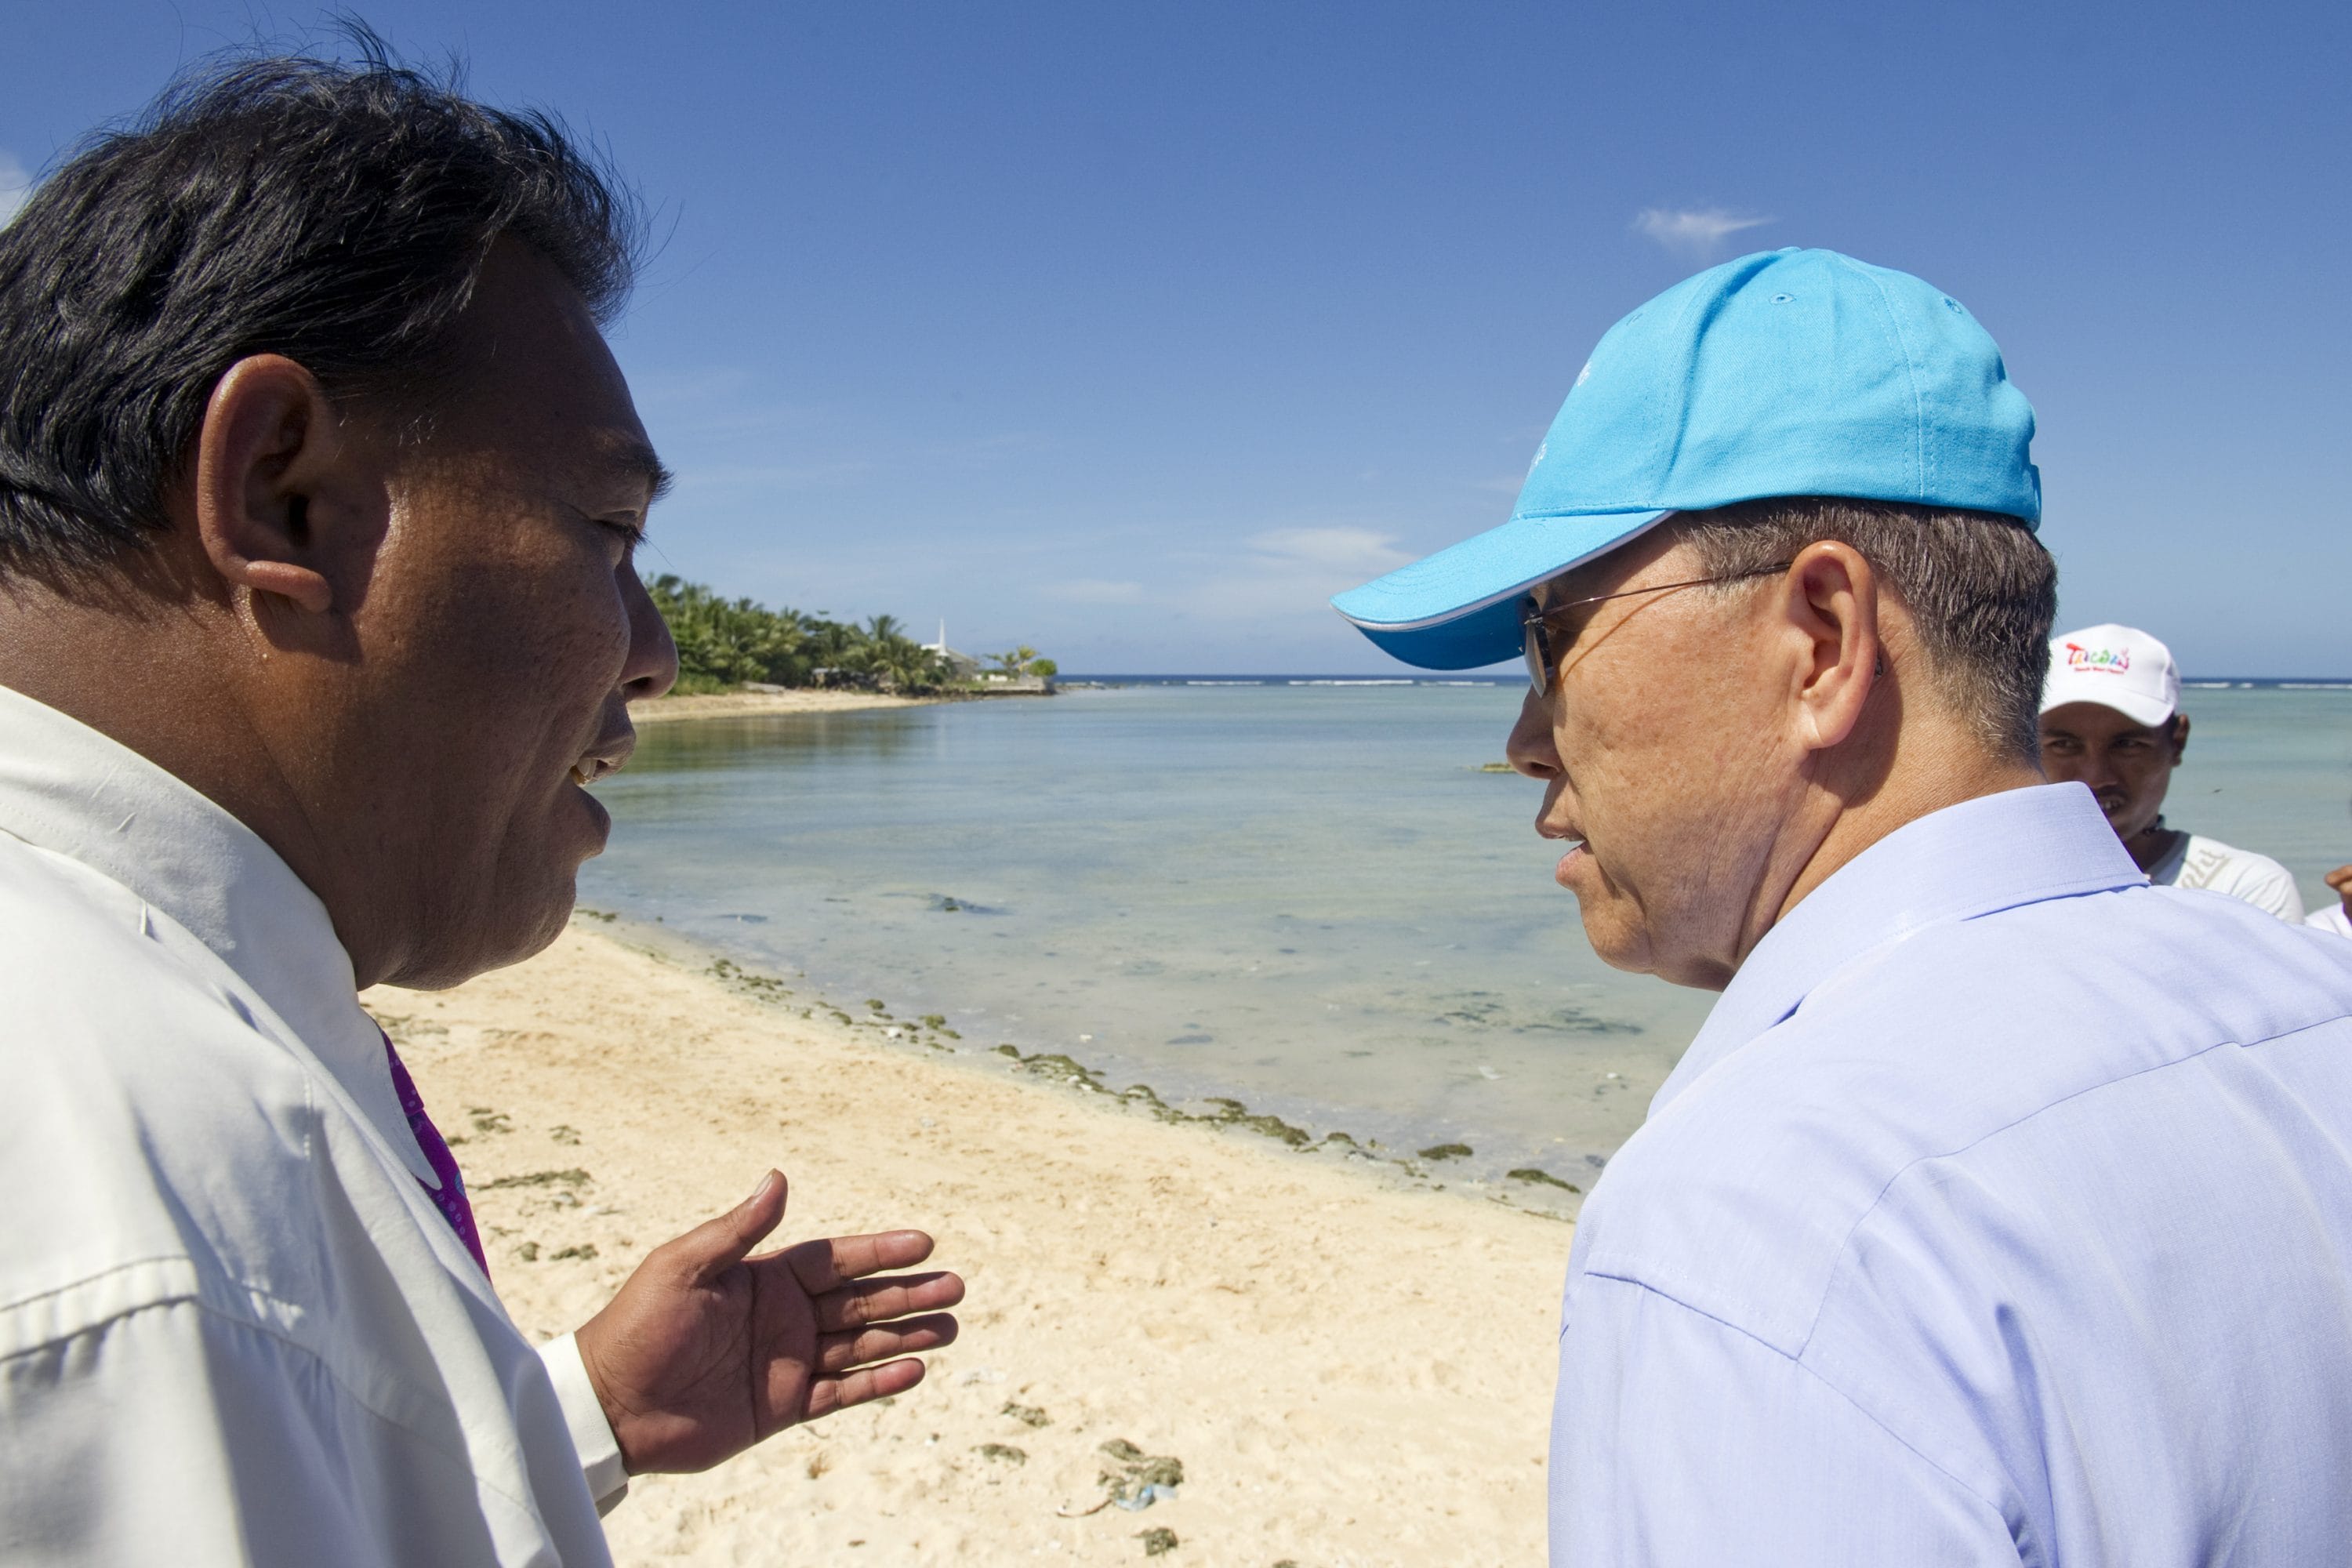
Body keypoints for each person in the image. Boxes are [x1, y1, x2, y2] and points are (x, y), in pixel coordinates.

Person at [0, 47, 960, 1564]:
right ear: (281, 492)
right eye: (607, 529)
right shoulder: (151, 1206)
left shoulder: (138, 1028)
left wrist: (573, 1418)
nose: (652, 654)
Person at [1333, 248, 2352, 1565]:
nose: (1527, 739)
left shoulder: (1760, 1223)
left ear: (1821, 638)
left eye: (1550, 638)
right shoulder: (2311, 1006)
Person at [2037, 623, 2303, 918]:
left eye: (2127, 744)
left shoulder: (2242, 889)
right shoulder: (1998, 878)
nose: (2096, 777)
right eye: (2064, 745)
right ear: (2022, 745)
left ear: (2177, 742)